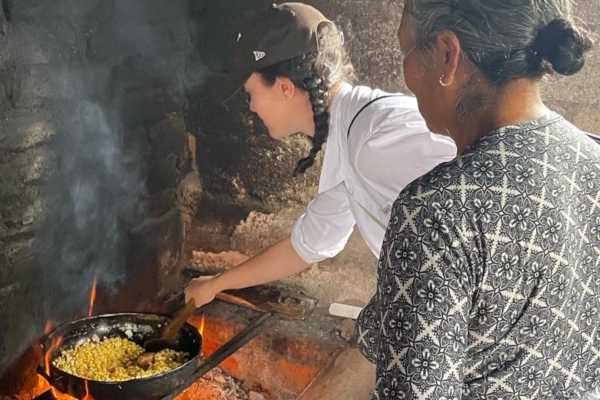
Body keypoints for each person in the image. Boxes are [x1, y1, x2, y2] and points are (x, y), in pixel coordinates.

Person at [356, 0, 599, 398]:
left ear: (447, 54)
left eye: (407, 51)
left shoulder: (437, 211)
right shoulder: (593, 158)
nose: (406, 74)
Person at [185, 4, 456, 316]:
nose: (252, 108)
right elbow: (307, 245)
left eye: (251, 94)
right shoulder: (352, 138)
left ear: (285, 88)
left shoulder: (373, 143)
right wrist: (216, 283)